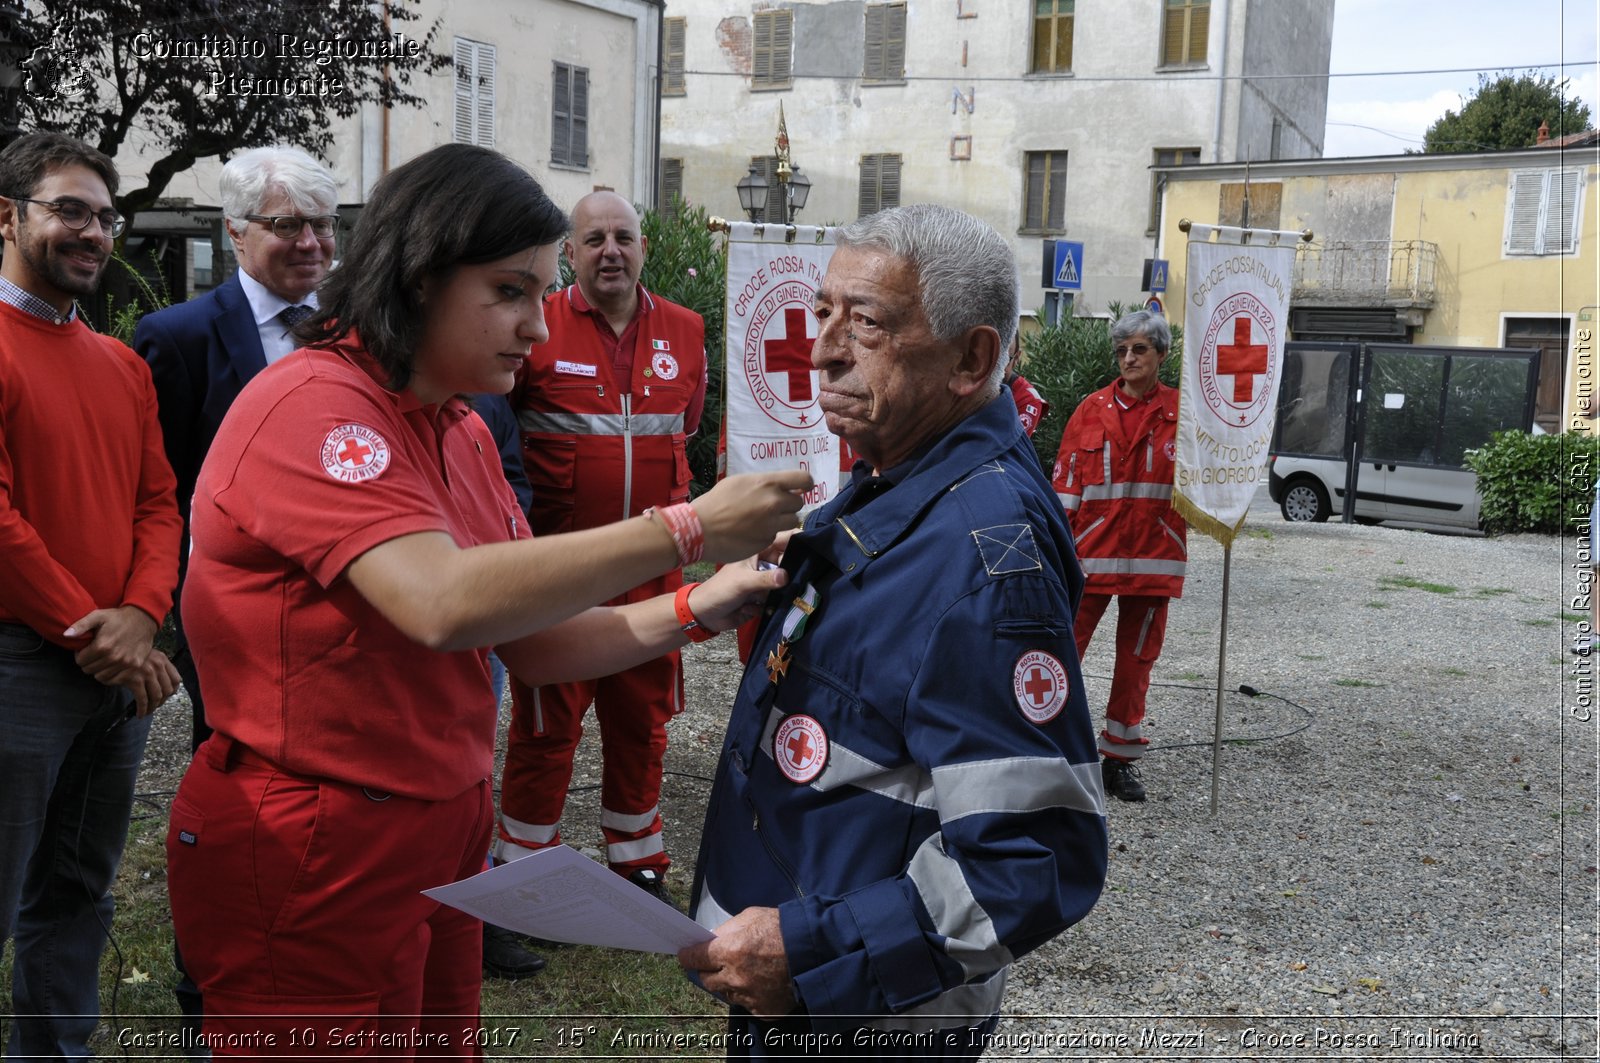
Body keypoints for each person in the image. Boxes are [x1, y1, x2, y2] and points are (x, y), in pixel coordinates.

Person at [163, 143, 810, 1056]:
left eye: (541, 294)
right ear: (420, 277)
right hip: (312, 838)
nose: (539, 330)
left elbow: (532, 638)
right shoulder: (313, 406)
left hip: (434, 832)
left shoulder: (459, 426)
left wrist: (699, 604)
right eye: (511, 292)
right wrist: (688, 528)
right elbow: (441, 602)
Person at [677, 204, 1108, 1058]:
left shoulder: (986, 553)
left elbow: (1034, 857)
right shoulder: (898, 476)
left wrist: (809, 953)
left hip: (867, 1022)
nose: (823, 346)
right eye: (824, 310)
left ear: (971, 358)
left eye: (866, 322)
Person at [0, 131, 183, 1059]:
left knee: (78, 889)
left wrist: (144, 618)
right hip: (21, 666)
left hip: (118, 672)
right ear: (7, 216)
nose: (93, 231)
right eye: (68, 209)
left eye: (105, 217)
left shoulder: (122, 365)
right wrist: (101, 630)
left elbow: (161, 502)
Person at [495, 191, 708, 902]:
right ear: (570, 253)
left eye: (623, 236)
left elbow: (688, 428)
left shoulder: (686, 330)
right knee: (547, 724)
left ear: (643, 247)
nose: (610, 250)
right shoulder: (537, 327)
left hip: (656, 571)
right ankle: (524, 871)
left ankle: (637, 863)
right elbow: (500, 438)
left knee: (643, 720)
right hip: (565, 573)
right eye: (593, 239)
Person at [135, 144, 338, 753]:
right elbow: (162, 486)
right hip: (234, 601)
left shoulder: (363, 325)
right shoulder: (180, 338)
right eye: (286, 225)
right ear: (236, 233)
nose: (310, 242)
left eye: (322, 224)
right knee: (237, 756)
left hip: (349, 590)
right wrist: (168, 610)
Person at [1051, 309, 1186, 802]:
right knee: (1062, 653)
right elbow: (1064, 485)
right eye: (1122, 351)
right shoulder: (1090, 409)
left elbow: (1204, 487)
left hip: (1154, 560)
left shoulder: (1183, 414)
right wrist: (1056, 548)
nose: (1128, 359)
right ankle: (1052, 749)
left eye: (1139, 350)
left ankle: (1119, 761)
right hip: (1089, 560)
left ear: (1161, 356)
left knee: (1135, 665)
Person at [1005, 332, 1049, 438]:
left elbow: (1008, 445)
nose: (993, 367)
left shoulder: (1026, 398)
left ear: (1016, 358)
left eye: (1004, 360)